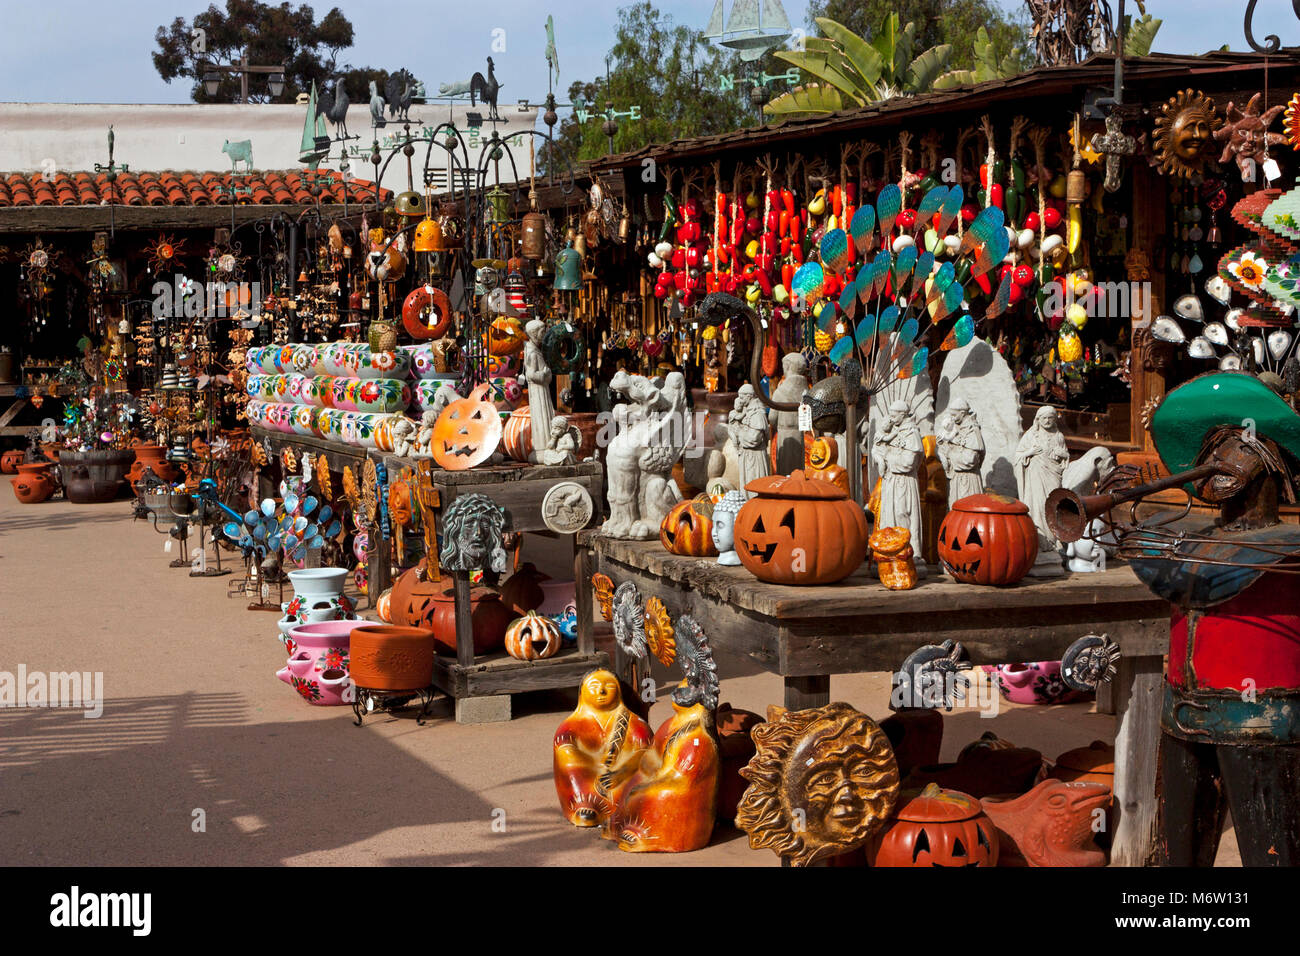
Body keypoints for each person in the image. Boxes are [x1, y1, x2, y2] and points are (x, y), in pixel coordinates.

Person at [872, 400, 925, 571]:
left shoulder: (911, 433)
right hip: (889, 482)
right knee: (888, 515)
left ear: (903, 415)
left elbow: (908, 462)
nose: (891, 417)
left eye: (894, 415)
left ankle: (910, 555)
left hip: (904, 482)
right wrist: (880, 458)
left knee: (903, 515)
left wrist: (887, 458)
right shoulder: (891, 430)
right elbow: (877, 448)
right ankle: (889, 553)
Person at [1014, 405, 1069, 551]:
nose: (1047, 421)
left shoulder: (1059, 436)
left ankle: (1054, 539)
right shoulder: (1031, 435)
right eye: (1044, 418)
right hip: (1036, 477)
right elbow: (1018, 456)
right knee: (1037, 506)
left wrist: (1063, 455)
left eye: (1050, 418)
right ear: (1038, 420)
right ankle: (1039, 539)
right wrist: (1030, 452)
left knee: (1053, 505)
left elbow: (1065, 457)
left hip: (1053, 476)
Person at [937, 399, 985, 508]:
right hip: (955, 479)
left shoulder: (972, 430)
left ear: (962, 413)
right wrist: (941, 446)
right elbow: (946, 450)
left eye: (954, 415)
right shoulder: (953, 427)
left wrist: (949, 453)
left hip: (968, 479)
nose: (952, 417)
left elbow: (970, 460)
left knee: (968, 511)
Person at [769, 353, 809, 475]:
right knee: (798, 468)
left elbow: (772, 418)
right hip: (800, 434)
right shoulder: (806, 391)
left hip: (784, 434)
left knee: (785, 470)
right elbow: (807, 421)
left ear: (788, 366)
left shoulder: (780, 392)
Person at [730, 385, 771, 495]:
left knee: (755, 489)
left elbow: (754, 439)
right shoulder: (747, 410)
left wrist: (738, 431)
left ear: (749, 396)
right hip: (747, 456)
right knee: (747, 488)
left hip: (755, 458)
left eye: (742, 398)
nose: (740, 401)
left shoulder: (757, 413)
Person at [523, 318, 555, 455]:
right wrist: (544, 374)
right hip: (538, 391)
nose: (544, 335)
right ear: (534, 334)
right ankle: (542, 447)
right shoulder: (531, 352)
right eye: (542, 332)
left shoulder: (536, 350)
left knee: (545, 416)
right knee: (541, 417)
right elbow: (530, 374)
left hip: (542, 389)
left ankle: (547, 445)